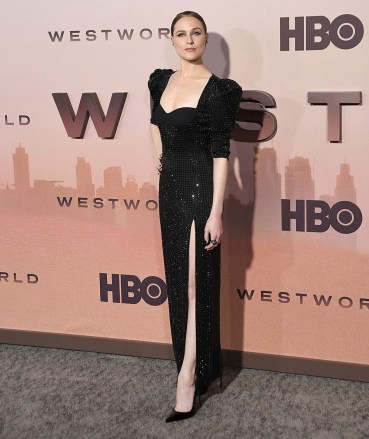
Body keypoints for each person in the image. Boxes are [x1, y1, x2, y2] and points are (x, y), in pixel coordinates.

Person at [148, 10, 242, 422]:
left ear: (206, 40)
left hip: (202, 187)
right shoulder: (158, 80)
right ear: (171, 40)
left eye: (196, 33)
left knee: (193, 282)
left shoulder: (220, 90)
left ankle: (187, 378)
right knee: (178, 280)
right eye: (181, 34)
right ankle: (198, 367)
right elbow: (155, 123)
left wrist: (216, 212)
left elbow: (222, 154)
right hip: (170, 190)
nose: (189, 40)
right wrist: (161, 160)